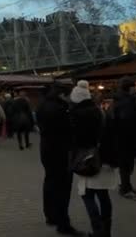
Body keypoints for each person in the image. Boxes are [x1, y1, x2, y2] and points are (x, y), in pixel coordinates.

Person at [70, 80, 118, 237]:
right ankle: (107, 231)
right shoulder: (100, 111)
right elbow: (110, 135)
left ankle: (98, 231)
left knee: (86, 194)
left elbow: (74, 141)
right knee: (103, 195)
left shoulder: (74, 115)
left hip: (86, 160)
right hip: (103, 158)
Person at [36, 84, 83, 236]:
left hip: (46, 149)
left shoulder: (42, 105)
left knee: (50, 182)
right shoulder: (61, 109)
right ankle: (63, 223)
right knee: (63, 188)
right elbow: (69, 130)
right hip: (61, 152)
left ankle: (50, 216)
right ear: (62, 95)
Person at [111, 77, 136, 200]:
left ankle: (126, 186)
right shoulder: (126, 102)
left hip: (121, 138)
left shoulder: (121, 99)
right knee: (126, 165)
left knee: (126, 165)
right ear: (131, 88)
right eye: (135, 86)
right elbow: (126, 121)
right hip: (125, 139)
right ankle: (125, 189)